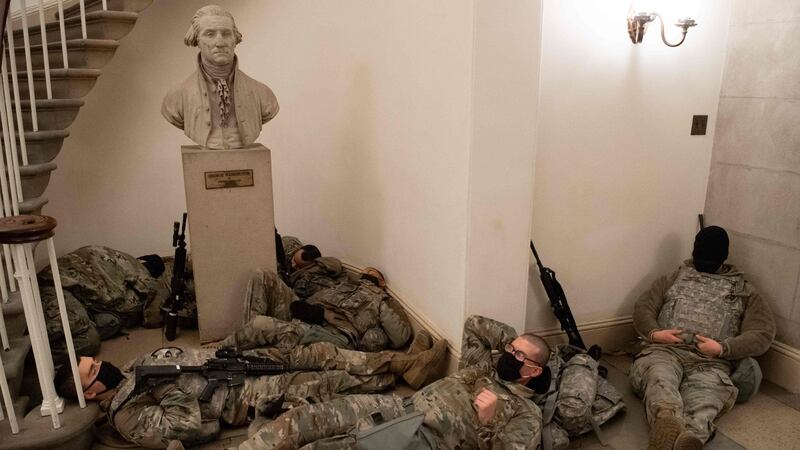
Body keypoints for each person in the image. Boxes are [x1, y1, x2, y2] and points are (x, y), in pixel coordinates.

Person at [56, 332, 446, 449]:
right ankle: (403, 371)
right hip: (243, 396)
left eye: (92, 360)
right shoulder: (128, 414)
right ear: (91, 393)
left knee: (315, 352)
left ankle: (396, 361)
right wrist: (165, 383)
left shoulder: (126, 373)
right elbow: (190, 427)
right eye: (91, 371)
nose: (98, 363)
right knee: (328, 383)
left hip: (232, 362)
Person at [239, 315, 551, 449]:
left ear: (535, 371)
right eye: (510, 350)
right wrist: (517, 342)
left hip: (423, 439)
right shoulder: (485, 367)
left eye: (520, 356)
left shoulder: (525, 412)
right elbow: (475, 325)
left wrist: (487, 422)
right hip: (397, 405)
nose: (510, 355)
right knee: (305, 419)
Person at [629, 226, 776, 450]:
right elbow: (643, 308)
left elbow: (762, 333)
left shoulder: (744, 292)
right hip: (666, 352)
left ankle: (688, 437)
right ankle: (667, 422)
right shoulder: (673, 278)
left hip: (712, 364)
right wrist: (655, 333)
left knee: (706, 399)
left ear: (723, 256)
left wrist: (723, 348)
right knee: (660, 379)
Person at [161, 5, 279, 149]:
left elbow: (268, 111)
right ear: (196, 39)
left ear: (235, 39)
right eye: (210, 34)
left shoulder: (262, 94)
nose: (220, 42)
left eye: (226, 34)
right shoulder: (177, 96)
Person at [240, 265, 412, 352]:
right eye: (366, 271)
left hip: (329, 331)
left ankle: (250, 339)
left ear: (381, 283)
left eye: (372, 273)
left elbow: (400, 338)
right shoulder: (342, 283)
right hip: (306, 311)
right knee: (262, 274)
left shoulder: (379, 300)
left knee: (263, 325)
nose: (367, 273)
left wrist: (386, 301)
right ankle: (249, 336)